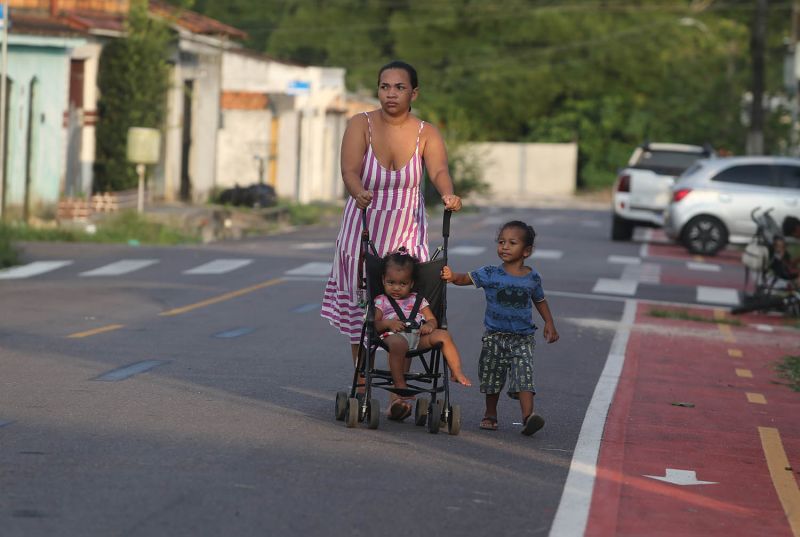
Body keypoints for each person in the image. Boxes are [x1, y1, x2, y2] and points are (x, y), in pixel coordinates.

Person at [321, 60, 462, 369]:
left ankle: (400, 387)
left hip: (407, 229)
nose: (391, 93)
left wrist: (448, 194)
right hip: (364, 223)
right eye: (385, 87)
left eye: (399, 87)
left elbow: (439, 170)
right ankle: (363, 376)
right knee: (364, 305)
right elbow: (349, 170)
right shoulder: (361, 124)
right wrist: (358, 190)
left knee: (408, 303)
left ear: (414, 93)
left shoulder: (426, 132)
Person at [441, 221, 559, 436]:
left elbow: (540, 300)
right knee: (491, 377)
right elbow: (465, 278)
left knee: (524, 375)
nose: (504, 246)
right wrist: (452, 276)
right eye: (501, 242)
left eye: (512, 243)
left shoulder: (532, 278)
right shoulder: (490, 273)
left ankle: (528, 417)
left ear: (526, 251)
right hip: (494, 337)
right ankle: (490, 414)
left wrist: (549, 322)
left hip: (523, 338)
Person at [373, 249, 471, 420]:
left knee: (443, 335)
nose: (396, 288)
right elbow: (375, 324)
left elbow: (432, 319)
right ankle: (400, 384)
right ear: (383, 280)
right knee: (398, 344)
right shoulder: (381, 300)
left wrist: (430, 325)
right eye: (391, 282)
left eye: (402, 284)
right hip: (393, 336)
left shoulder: (418, 300)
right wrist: (388, 323)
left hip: (418, 337)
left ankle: (456, 371)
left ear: (411, 283)